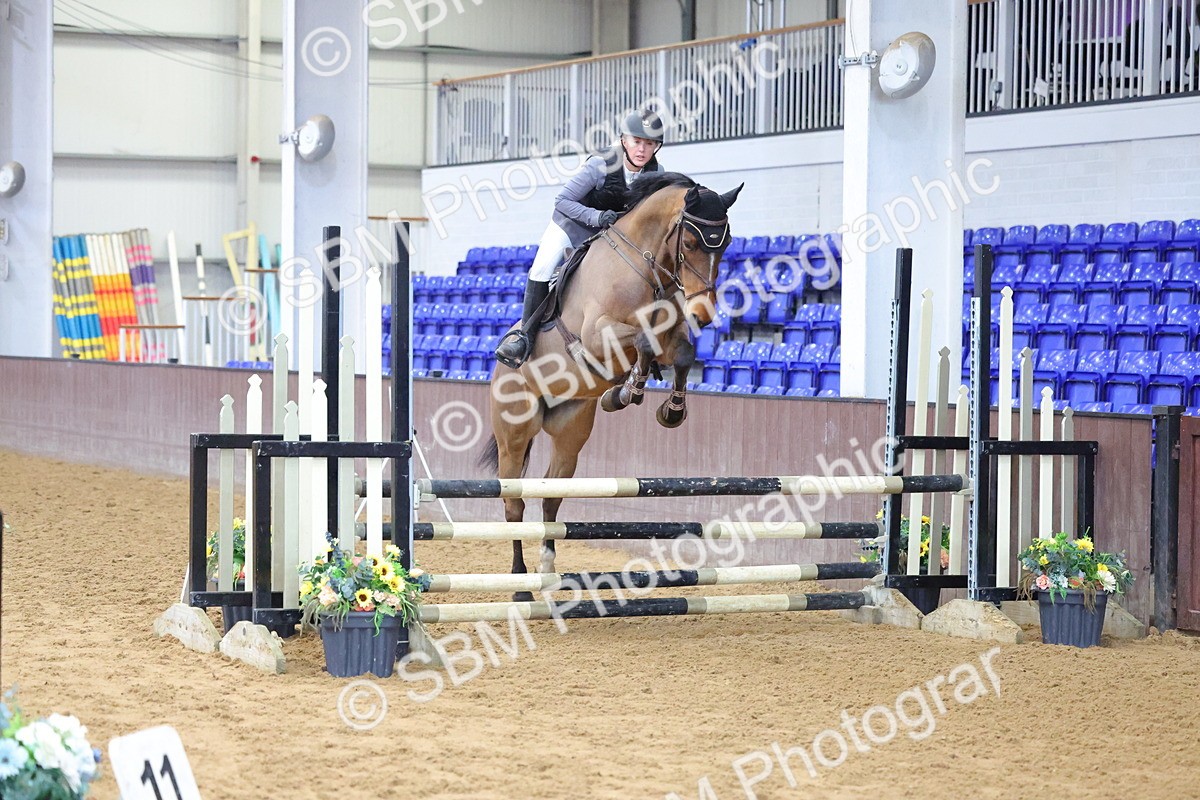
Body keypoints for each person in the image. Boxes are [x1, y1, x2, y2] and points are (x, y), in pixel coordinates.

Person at [493, 109, 667, 369]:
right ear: (623, 140)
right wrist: (596, 217)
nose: (642, 149)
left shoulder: (656, 174)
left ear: (657, 147)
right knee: (541, 268)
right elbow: (562, 200)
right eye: (636, 141)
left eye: (649, 143)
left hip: (609, 237)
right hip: (571, 226)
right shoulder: (600, 164)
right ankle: (524, 337)